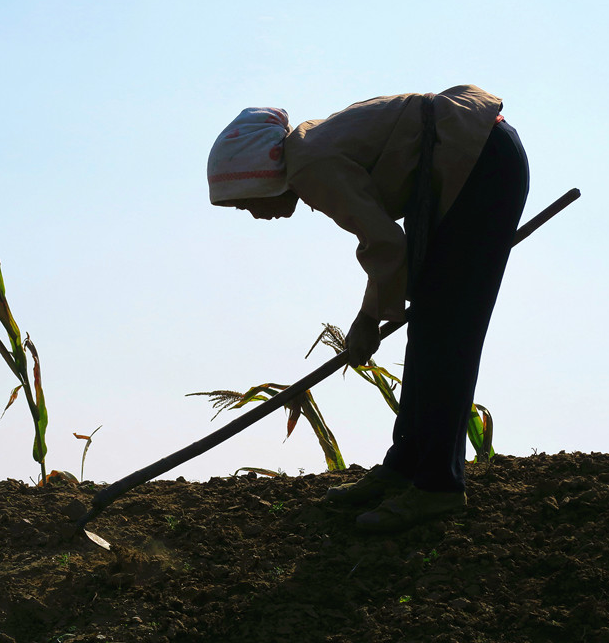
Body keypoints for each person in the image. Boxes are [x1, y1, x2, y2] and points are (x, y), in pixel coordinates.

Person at [207, 85, 529, 532]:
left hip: (476, 161)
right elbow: (387, 246)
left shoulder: (309, 164)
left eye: (243, 201)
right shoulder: (309, 153)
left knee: (449, 328)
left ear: (258, 177)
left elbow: (384, 243)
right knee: (433, 323)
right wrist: (374, 314)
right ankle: (406, 465)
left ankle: (438, 486)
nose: (251, 214)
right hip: (457, 164)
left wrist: (366, 320)